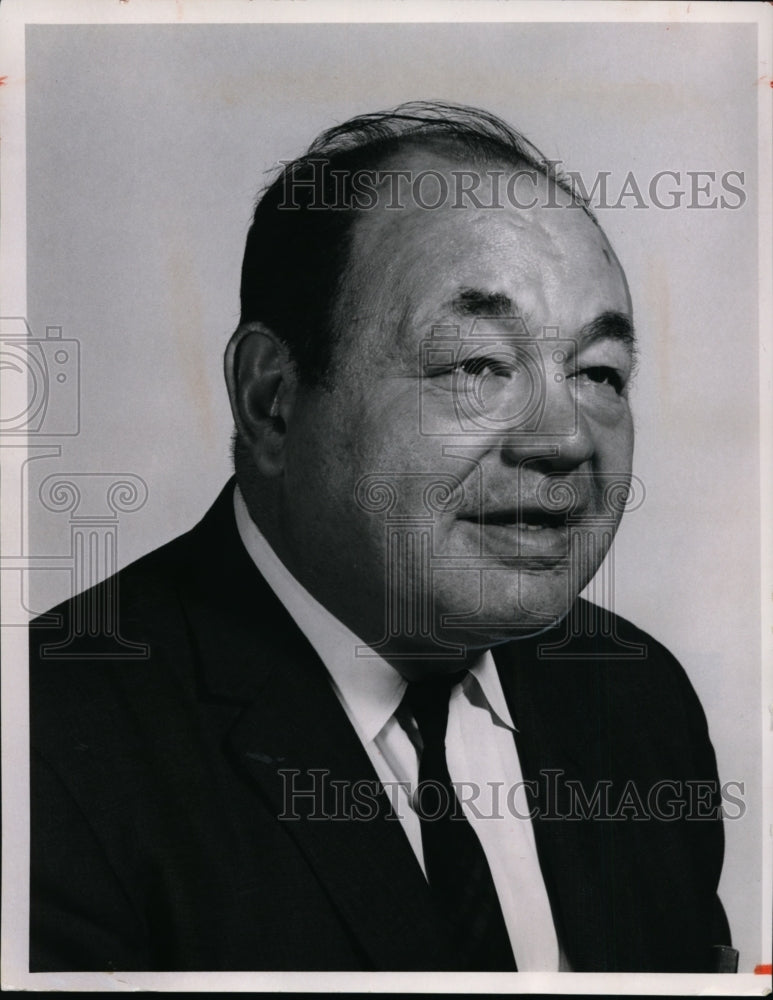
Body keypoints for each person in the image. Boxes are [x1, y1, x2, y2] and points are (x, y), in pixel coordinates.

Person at [29, 101, 734, 973]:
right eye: (476, 365)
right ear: (272, 400)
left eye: (598, 373)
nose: (564, 440)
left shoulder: (639, 707)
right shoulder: (46, 747)